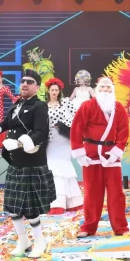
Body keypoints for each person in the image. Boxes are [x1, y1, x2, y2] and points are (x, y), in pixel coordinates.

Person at [0, 69, 54, 257]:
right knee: (13, 207)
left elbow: (41, 133)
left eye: (29, 82)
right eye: (23, 81)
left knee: (31, 208)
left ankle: (39, 241)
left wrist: (20, 143)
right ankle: (23, 241)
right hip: (15, 161)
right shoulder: (17, 104)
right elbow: (6, 123)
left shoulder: (39, 105)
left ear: (37, 86)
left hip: (31, 162)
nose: (24, 84)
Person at [70, 77, 129, 238]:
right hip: (91, 156)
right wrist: (80, 154)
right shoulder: (87, 106)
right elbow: (76, 129)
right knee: (91, 193)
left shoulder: (119, 108)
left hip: (111, 156)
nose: (105, 90)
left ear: (112, 89)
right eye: (102, 87)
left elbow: (123, 131)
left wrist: (116, 151)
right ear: (97, 89)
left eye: (108, 87)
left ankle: (121, 227)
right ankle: (88, 227)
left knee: (116, 194)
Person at [43, 77, 83, 214]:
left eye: (56, 90)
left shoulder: (66, 102)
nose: (54, 92)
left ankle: (70, 203)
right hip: (50, 141)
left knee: (64, 167)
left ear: (59, 91)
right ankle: (58, 202)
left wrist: (64, 125)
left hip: (64, 139)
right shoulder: (43, 105)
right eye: (52, 90)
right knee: (52, 168)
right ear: (48, 91)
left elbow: (76, 116)